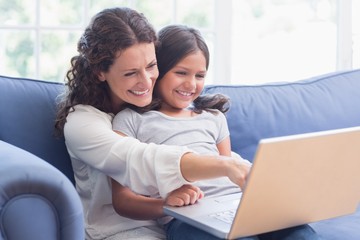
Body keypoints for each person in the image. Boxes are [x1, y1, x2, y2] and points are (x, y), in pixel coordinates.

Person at [54, 7, 252, 240]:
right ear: (100, 72)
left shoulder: (176, 113)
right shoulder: (83, 123)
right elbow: (138, 158)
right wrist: (224, 165)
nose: (146, 81)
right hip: (126, 230)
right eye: (130, 73)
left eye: (150, 66)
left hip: (182, 218)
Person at [111, 25, 320, 240]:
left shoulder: (213, 117)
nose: (191, 84)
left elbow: (229, 170)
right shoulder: (132, 120)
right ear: (158, 70)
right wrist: (166, 203)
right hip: (185, 219)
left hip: (239, 206)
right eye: (181, 72)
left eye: (200, 75)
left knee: (300, 233)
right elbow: (122, 201)